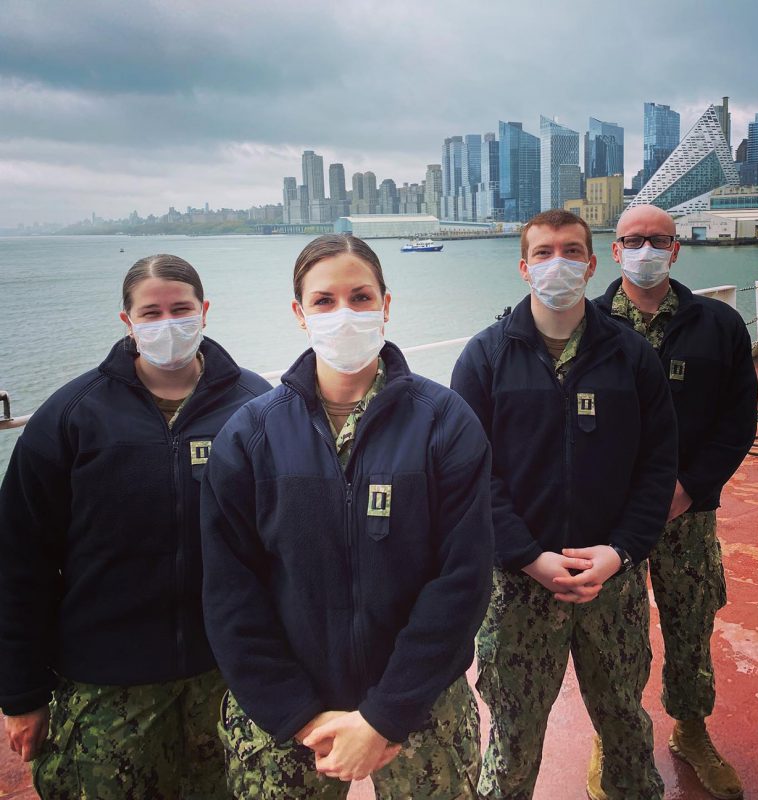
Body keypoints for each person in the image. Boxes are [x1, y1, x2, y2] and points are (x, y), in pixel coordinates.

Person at [200, 233, 493, 799]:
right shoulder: (251, 434)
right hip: (285, 715)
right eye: (324, 301)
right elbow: (230, 591)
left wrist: (385, 716)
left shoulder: (444, 423)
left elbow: (462, 578)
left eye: (360, 297)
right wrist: (298, 717)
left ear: (387, 303)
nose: (344, 314)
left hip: (421, 704)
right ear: (298, 313)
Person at [0, 254, 271, 799]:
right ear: (127, 321)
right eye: (151, 312)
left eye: (181, 309)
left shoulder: (256, 407)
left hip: (225, 676)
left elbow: (285, 545)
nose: (167, 323)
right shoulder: (72, 416)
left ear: (205, 312)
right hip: (105, 684)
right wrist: (21, 693)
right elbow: (18, 558)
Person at [451, 209, 678, 800]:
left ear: (593, 263)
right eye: (545, 252)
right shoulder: (485, 358)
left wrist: (622, 551)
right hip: (519, 587)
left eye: (572, 251)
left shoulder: (631, 357)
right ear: (524, 267)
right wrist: (528, 556)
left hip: (614, 583)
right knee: (514, 740)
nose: (560, 263)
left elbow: (656, 467)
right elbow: (471, 476)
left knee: (626, 724)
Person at [594, 204, 758, 800]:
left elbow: (738, 420)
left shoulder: (716, 325)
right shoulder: (586, 326)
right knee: (615, 632)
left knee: (691, 624)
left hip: (687, 514)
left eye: (657, 240)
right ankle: (612, 739)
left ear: (676, 248)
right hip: (611, 518)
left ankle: (691, 729)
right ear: (614, 251)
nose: (645, 250)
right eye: (632, 240)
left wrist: (690, 489)